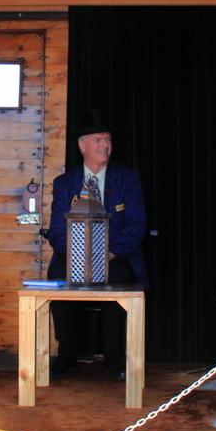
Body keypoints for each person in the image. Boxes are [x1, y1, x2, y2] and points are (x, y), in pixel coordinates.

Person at [47, 111, 147, 381]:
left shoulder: (127, 178)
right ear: (83, 146)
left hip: (114, 256)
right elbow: (57, 232)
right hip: (73, 256)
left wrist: (106, 253)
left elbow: (136, 226)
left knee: (117, 278)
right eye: (98, 140)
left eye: (108, 140)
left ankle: (114, 357)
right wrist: (79, 255)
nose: (105, 145)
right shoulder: (64, 183)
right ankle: (66, 356)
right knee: (58, 274)